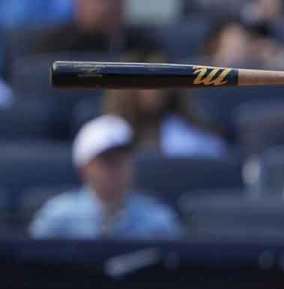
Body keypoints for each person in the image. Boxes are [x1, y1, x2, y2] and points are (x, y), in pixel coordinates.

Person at [30, 115, 182, 240]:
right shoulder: (57, 218)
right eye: (107, 160)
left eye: (124, 159)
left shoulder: (157, 220)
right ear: (84, 169)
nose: (118, 168)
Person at [103, 85, 227, 158]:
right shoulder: (107, 132)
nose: (153, 91)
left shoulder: (195, 135)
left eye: (158, 82)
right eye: (145, 83)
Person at [30, 0, 160, 55]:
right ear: (78, 4)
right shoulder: (54, 46)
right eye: (99, 1)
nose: (106, 8)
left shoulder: (143, 46)